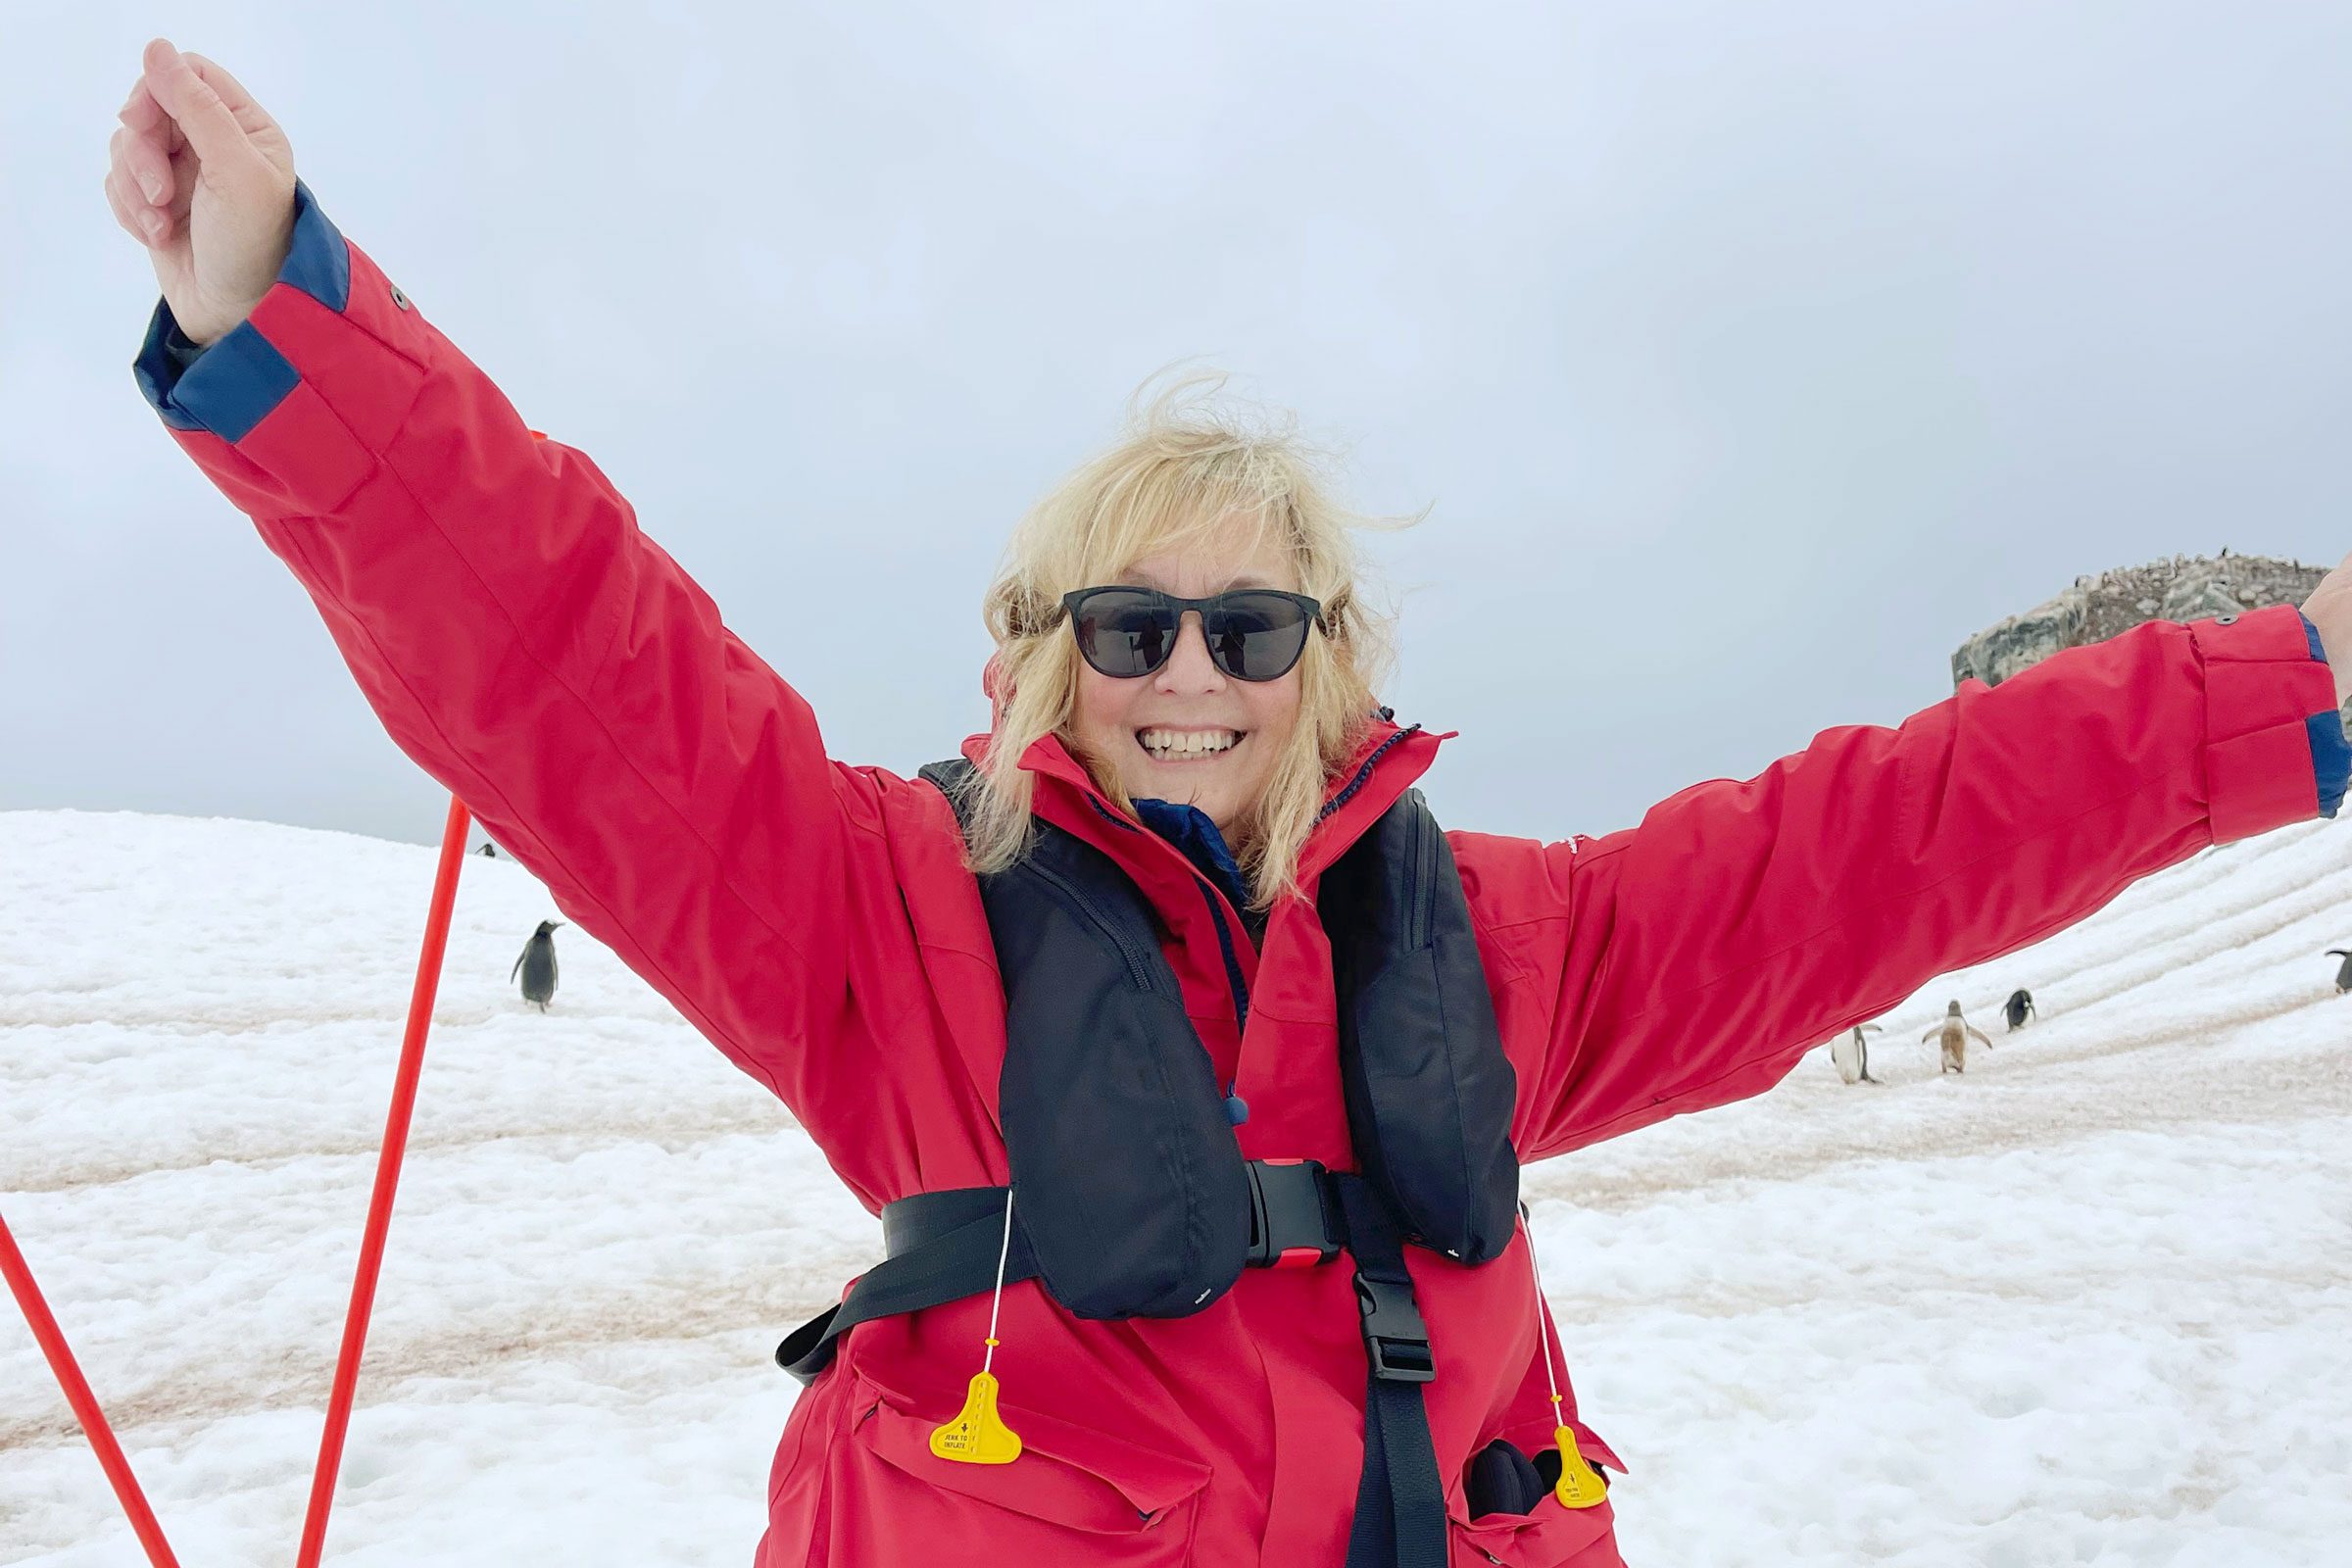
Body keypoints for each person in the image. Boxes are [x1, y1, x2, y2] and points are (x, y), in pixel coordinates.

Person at [103, 37, 2352, 1568]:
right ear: (1041, 653)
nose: (1192, 677)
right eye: (1135, 623)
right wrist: (286, 318)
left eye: (1252, 631)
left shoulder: (1496, 943)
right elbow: (573, 658)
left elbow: (1896, 835)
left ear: (1327, 666)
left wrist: (2304, 692)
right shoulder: (887, 915)